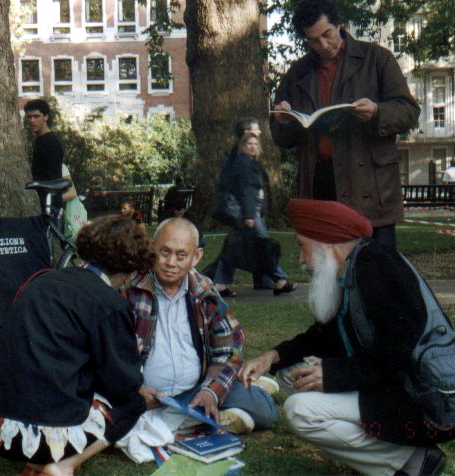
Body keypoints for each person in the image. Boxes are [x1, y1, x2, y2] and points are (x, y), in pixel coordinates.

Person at [239, 199, 453, 476]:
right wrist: (273, 357)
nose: (301, 259)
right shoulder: (354, 268)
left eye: (302, 246)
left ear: (326, 242)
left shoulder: (375, 266)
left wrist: (332, 374)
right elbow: (326, 336)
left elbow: (397, 350)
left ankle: (413, 462)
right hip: (403, 389)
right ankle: (380, 460)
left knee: (299, 410)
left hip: (428, 401)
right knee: (295, 376)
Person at [0, 215, 155, 476]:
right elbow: (123, 384)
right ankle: (63, 465)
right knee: (133, 404)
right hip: (43, 435)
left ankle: (37, 463)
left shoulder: (42, 281)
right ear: (130, 267)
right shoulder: (110, 302)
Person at [270, 0, 420, 250]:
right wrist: (283, 120)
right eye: (313, 40)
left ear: (340, 24)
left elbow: (409, 111)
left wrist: (377, 111)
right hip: (320, 183)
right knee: (329, 271)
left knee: (377, 272)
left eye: (327, 35)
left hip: (369, 185)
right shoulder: (297, 74)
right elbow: (281, 139)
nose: (323, 45)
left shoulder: (377, 58)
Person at [123, 218, 278, 434]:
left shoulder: (204, 290)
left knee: (265, 412)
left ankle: (249, 389)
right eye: (164, 252)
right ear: (152, 248)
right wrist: (133, 387)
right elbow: (112, 352)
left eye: (181, 255)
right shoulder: (130, 290)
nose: (171, 262)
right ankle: (218, 411)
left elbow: (230, 343)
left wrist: (211, 392)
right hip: (147, 395)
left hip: (196, 387)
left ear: (196, 257)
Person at [213, 130, 295, 297]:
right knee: (264, 246)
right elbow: (247, 191)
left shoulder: (247, 163)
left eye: (255, 144)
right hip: (249, 215)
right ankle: (280, 281)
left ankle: (219, 284)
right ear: (243, 147)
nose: (252, 147)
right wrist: (250, 216)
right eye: (249, 144)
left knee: (232, 248)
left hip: (246, 215)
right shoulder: (245, 164)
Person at [24, 99, 76, 214]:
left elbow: (54, 178)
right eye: (29, 117)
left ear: (46, 117)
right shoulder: (40, 140)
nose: (32, 121)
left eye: (36, 116)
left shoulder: (50, 142)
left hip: (50, 206)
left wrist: (49, 202)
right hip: (44, 203)